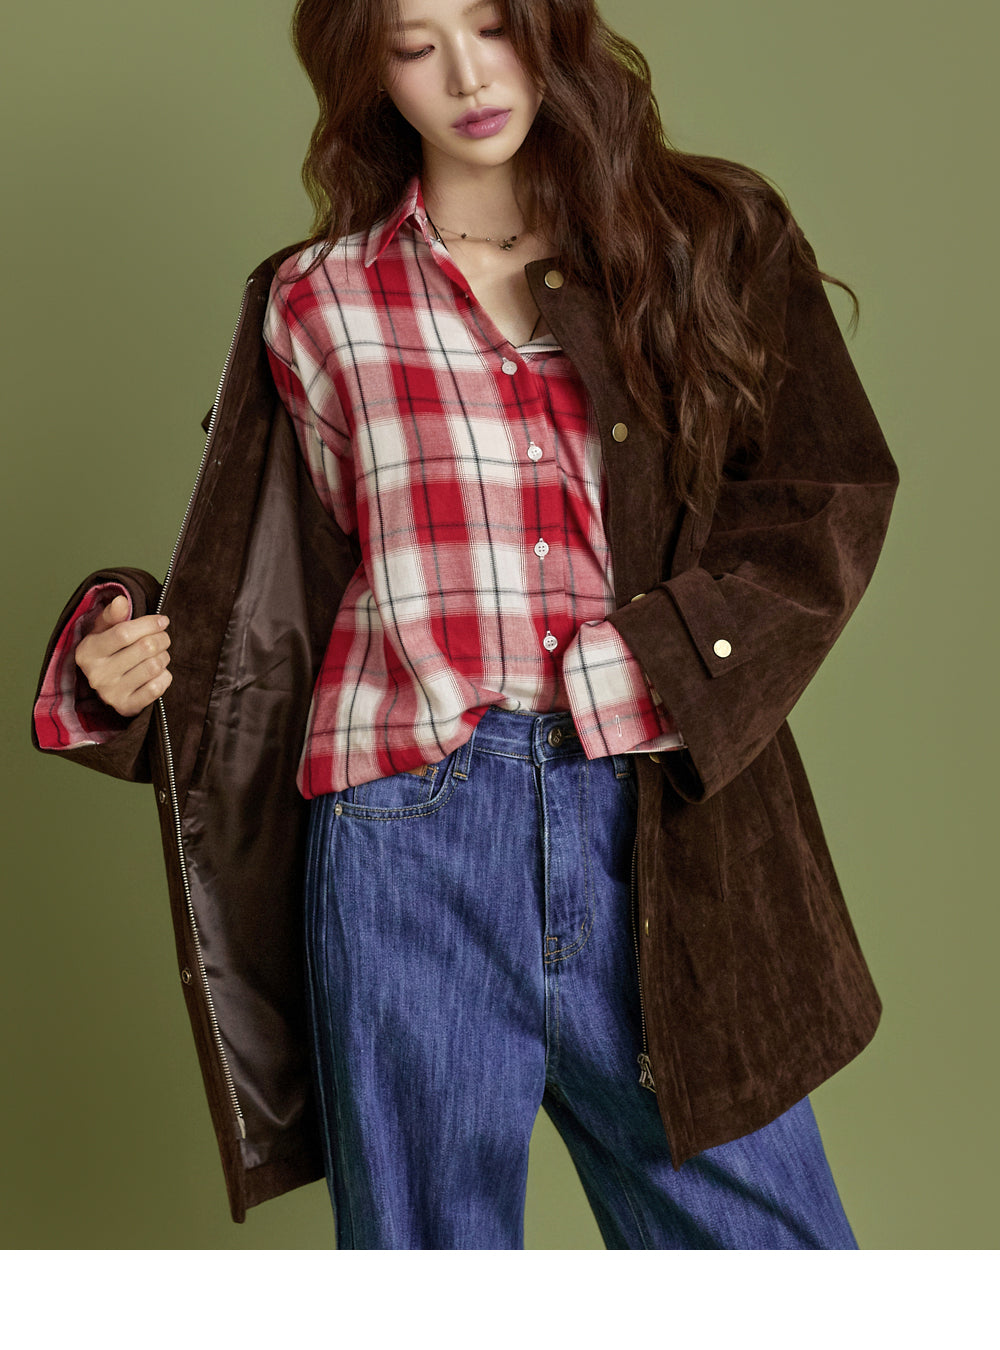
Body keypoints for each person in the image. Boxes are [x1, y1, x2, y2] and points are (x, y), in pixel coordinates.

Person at [31, 0, 898, 1249]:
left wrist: (656, 666)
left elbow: (827, 495)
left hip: (651, 816)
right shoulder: (315, 300)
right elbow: (265, 593)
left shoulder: (700, 241)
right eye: (412, 43)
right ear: (367, 71)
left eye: (491, 24)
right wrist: (110, 662)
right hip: (403, 835)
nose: (467, 75)